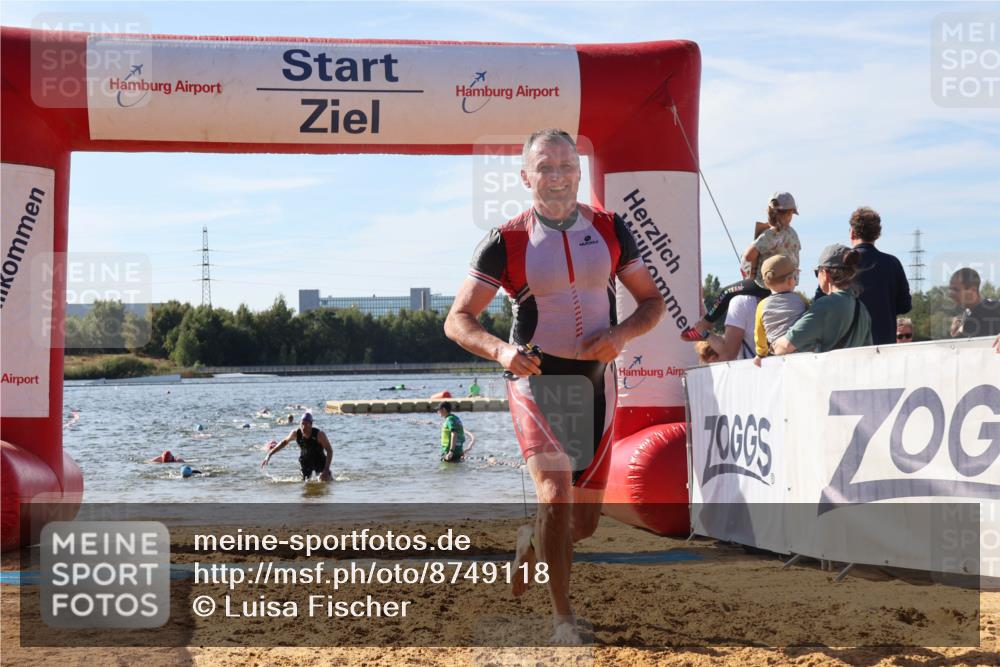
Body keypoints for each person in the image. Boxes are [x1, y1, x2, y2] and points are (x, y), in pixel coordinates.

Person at [443, 128, 665, 644]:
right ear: (525, 177)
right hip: (537, 381)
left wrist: (621, 334)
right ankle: (563, 619)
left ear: (579, 173)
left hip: (597, 384)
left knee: (581, 526)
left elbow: (652, 302)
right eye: (546, 167)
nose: (559, 175)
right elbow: (457, 319)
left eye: (567, 165)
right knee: (555, 494)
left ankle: (531, 540)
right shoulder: (507, 239)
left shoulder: (611, 229)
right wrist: (502, 351)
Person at [681, 192, 800, 341]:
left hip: (766, 284)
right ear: (790, 213)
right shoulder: (793, 234)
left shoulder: (771, 234)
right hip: (789, 284)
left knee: (726, 292)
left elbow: (749, 256)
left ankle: (703, 326)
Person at [813, 207, 911, 345]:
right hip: (884, 346)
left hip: (846, 346)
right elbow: (904, 306)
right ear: (877, 234)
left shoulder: (838, 262)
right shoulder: (892, 263)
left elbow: (819, 304)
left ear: (852, 233)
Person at [773, 244, 873, 355]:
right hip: (854, 371)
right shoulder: (862, 308)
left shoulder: (826, 305)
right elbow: (868, 351)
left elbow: (785, 346)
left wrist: (772, 344)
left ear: (825, 274)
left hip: (830, 371)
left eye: (817, 272)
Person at [752, 255, 808, 365]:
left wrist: (761, 353)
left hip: (780, 356)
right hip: (804, 352)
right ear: (791, 281)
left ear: (766, 284)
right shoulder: (800, 299)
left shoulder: (762, 306)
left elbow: (759, 334)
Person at [261, 411, 333, 481]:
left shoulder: (319, 435)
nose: (303, 427)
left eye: (306, 424)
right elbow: (284, 442)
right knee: (305, 483)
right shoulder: (296, 433)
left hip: (320, 460)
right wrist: (269, 454)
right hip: (305, 461)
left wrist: (326, 469)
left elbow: (329, 450)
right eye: (302, 424)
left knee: (325, 480)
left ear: (311, 424)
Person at [705, 294, 760, 362]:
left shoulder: (739, 302)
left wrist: (704, 333)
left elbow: (728, 355)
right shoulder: (764, 300)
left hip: (754, 367)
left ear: (712, 358)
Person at [948, 268, 1000, 338]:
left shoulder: (996, 309)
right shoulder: (967, 316)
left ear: (972, 290)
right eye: (950, 290)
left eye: (956, 290)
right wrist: (956, 335)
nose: (951, 294)